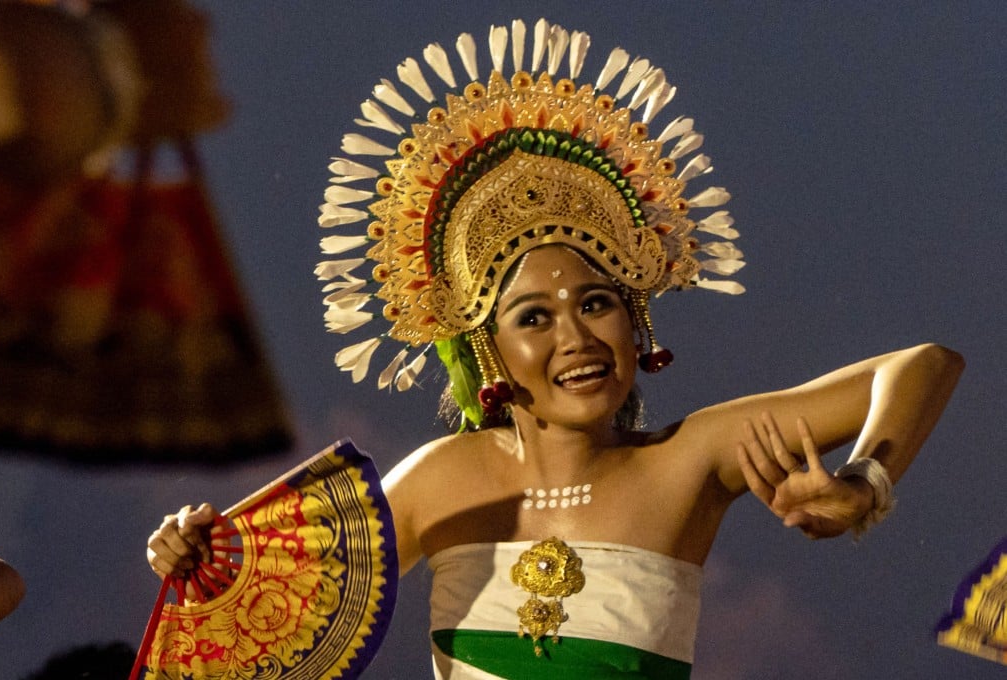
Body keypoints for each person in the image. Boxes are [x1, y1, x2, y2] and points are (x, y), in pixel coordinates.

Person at [146, 19, 964, 679]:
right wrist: (195, 550)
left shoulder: (687, 463)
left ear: (635, 320)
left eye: (597, 303)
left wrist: (866, 480)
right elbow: (274, 613)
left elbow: (923, 364)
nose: (577, 338)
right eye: (534, 317)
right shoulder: (443, 480)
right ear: (486, 350)